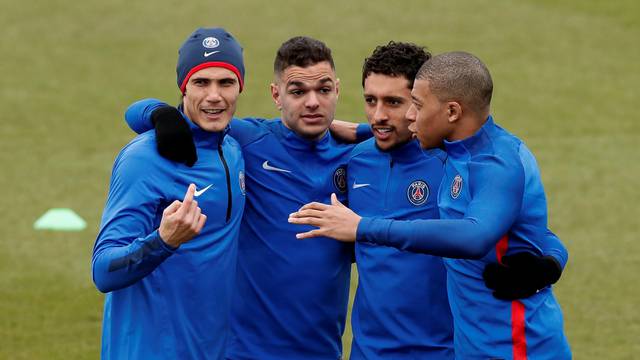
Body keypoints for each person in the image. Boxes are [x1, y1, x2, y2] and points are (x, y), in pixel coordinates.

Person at [289, 52, 571, 359]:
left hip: (493, 348)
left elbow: (490, 233)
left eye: (407, 104)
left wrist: (549, 264)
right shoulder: (379, 156)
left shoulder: (479, 162)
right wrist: (364, 130)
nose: (385, 115)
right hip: (394, 351)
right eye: (371, 101)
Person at [125, 36, 361, 360]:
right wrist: (160, 114)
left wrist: (364, 131)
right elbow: (141, 113)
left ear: (337, 89)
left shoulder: (358, 159)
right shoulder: (248, 141)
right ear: (276, 95)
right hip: (244, 351)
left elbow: (409, 133)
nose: (312, 103)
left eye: (323, 90)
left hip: (323, 350)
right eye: (297, 91)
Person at [91, 27, 246, 359]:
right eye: (201, 82)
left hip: (210, 349)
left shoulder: (233, 148)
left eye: (226, 82)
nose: (214, 96)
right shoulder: (143, 158)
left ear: (240, 87)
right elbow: (102, 270)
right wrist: (163, 240)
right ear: (183, 87)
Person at [347, 41, 454, 359]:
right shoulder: (355, 161)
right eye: (370, 100)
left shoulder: (455, 165)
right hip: (367, 352)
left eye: (393, 102)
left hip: (440, 351)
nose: (378, 115)